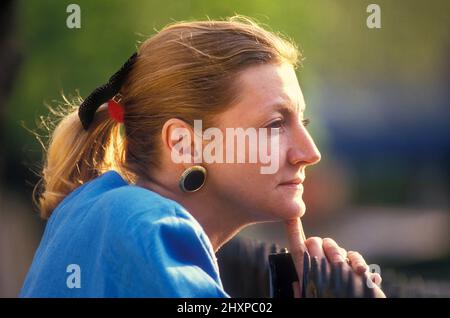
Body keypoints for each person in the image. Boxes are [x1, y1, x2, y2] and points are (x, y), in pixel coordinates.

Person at [20, 16, 384, 297]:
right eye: (275, 124)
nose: (310, 153)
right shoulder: (145, 225)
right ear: (184, 145)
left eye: (302, 122)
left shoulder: (104, 212)